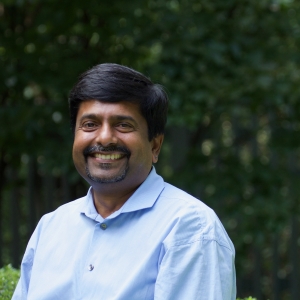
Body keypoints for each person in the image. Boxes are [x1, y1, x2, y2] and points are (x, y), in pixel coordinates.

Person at [13, 63, 236, 299]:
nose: (105, 137)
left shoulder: (189, 227)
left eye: (123, 125)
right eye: (90, 124)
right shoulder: (51, 227)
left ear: (155, 145)